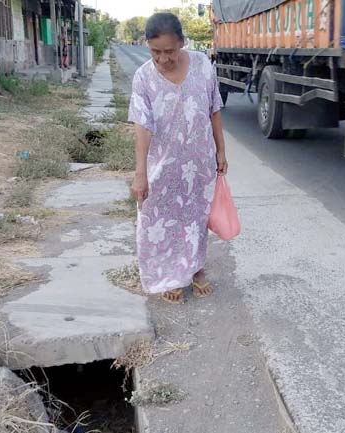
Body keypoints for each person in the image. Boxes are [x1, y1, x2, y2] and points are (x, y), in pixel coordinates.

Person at [129, 12, 227, 304]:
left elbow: (214, 108)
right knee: (161, 220)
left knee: (196, 217)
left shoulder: (202, 65)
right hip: (163, 162)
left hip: (199, 160)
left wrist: (221, 150)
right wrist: (141, 172)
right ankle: (170, 275)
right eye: (155, 51)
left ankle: (196, 270)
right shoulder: (143, 77)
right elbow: (142, 126)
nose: (162, 59)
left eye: (169, 51)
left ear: (182, 43)